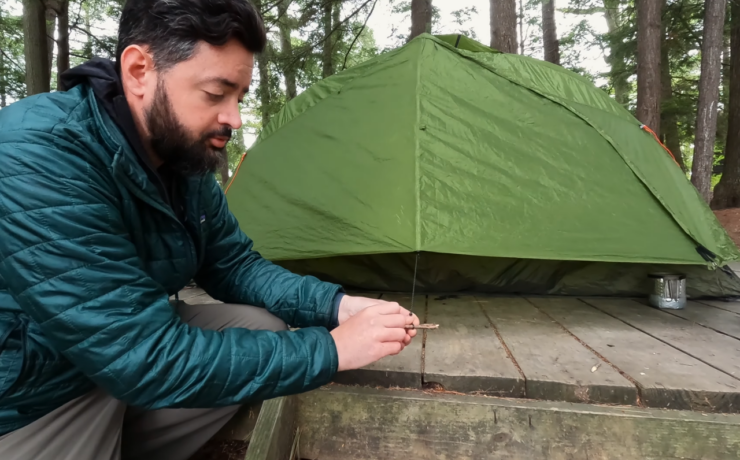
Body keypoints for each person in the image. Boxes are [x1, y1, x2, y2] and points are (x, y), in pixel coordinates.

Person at [0, 0, 419, 458]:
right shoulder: (40, 155)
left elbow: (234, 265)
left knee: (263, 326)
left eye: (239, 97)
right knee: (163, 363)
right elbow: (142, 356)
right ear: (139, 70)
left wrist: (337, 306)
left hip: (113, 356)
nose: (234, 119)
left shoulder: (181, 158)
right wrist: (331, 351)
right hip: (32, 392)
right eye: (216, 93)